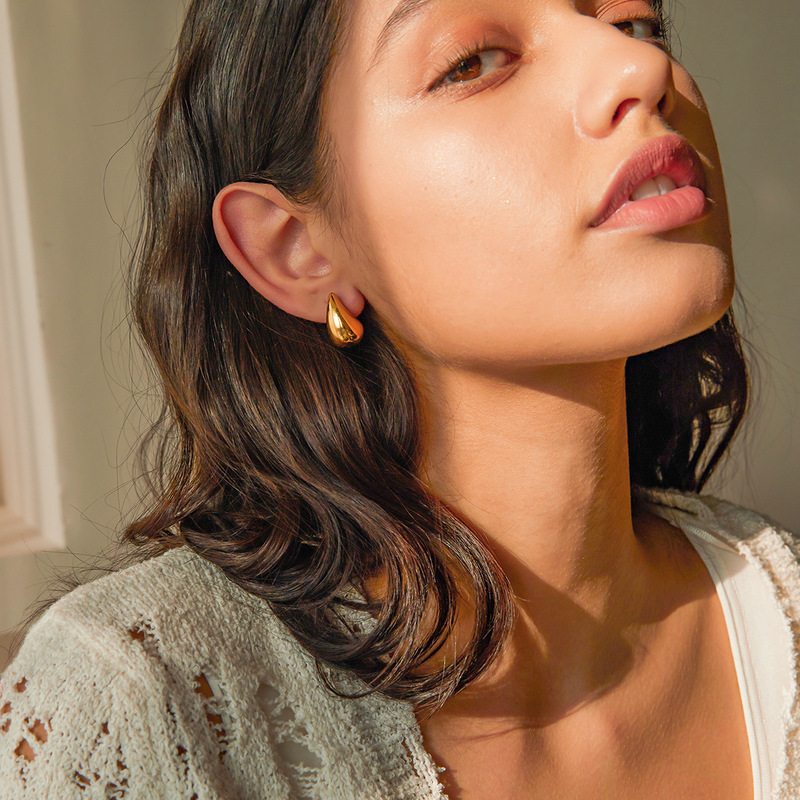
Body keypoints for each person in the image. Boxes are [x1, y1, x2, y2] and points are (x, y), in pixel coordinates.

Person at [0, 0, 797, 797]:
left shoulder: (781, 613)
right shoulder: (138, 702)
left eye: (634, 23)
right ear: (296, 249)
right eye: (474, 61)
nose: (641, 68)